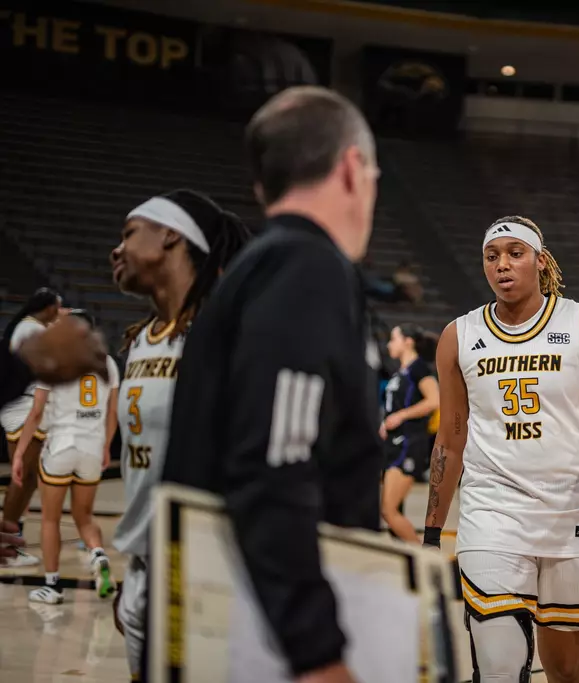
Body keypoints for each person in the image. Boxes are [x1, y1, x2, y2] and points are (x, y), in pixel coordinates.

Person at [162, 86, 382, 683]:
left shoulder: (261, 268)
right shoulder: (306, 268)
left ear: (264, 187)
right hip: (263, 638)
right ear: (352, 168)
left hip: (236, 610)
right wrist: (318, 652)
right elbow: (272, 463)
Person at [423, 215, 579, 683]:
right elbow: (450, 440)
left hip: (570, 513)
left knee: (564, 669)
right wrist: (432, 529)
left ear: (540, 261)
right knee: (500, 669)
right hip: (492, 512)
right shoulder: (458, 337)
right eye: (491, 255)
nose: (502, 264)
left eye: (514, 253)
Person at [109, 188, 251, 681]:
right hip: (148, 567)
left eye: (129, 233)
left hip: (209, 571)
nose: (117, 249)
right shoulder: (140, 339)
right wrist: (137, 580)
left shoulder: (228, 332)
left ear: (171, 235)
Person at [10, 309, 120, 604]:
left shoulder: (57, 355)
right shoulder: (108, 363)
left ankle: (52, 586)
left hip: (60, 446)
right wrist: (107, 446)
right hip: (92, 448)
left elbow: (36, 414)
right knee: (84, 517)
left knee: (50, 520)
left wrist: (20, 453)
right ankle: (98, 556)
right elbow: (112, 413)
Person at [0, 287, 63, 567]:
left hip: (28, 405)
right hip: (24, 405)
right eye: (57, 308)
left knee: (29, 477)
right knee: (22, 476)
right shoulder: (32, 330)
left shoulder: (28, 327)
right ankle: (6, 546)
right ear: (48, 308)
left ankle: (12, 538)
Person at [380, 324, 439, 543]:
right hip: (395, 443)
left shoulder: (418, 368)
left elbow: (434, 400)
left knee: (389, 511)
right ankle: (407, 563)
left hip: (409, 443)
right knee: (393, 513)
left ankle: (424, 560)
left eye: (393, 339)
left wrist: (401, 416)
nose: (389, 344)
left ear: (408, 342)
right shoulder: (401, 372)